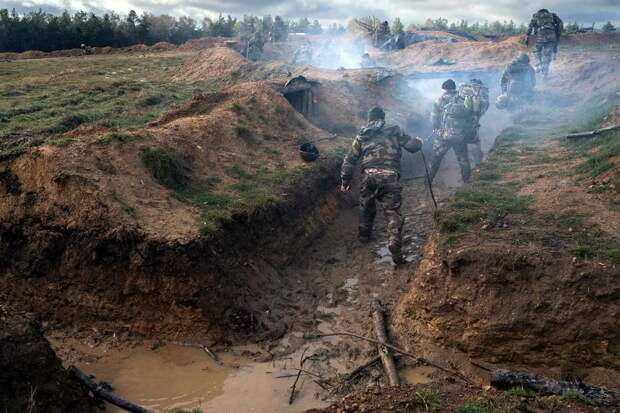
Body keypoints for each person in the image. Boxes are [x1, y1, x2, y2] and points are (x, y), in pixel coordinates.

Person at [340, 106, 422, 265]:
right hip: (389, 175)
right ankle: (393, 241)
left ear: (369, 119)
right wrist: (419, 142)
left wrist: (345, 181)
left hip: (368, 175)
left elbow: (349, 160)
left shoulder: (362, 135)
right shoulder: (395, 130)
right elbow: (413, 147)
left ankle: (364, 237)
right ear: (383, 118)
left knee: (366, 206)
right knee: (392, 212)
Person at [429, 79, 474, 183]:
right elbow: (470, 117)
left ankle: (428, 182)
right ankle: (467, 182)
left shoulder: (439, 100)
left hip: (443, 136)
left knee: (435, 158)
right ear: (455, 88)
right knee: (463, 160)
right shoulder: (464, 99)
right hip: (460, 136)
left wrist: (435, 128)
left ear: (444, 88)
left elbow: (434, 118)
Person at [459, 78, 490, 164]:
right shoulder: (481, 94)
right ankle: (478, 163)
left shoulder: (463, 90)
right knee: (474, 141)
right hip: (471, 120)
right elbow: (483, 109)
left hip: (461, 121)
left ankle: (473, 162)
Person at [527, 9, 563, 78]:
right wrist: (558, 33)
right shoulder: (552, 15)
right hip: (551, 35)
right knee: (547, 55)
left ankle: (539, 64)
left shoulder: (536, 16)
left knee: (537, 51)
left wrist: (527, 35)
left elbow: (530, 26)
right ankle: (545, 72)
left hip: (540, 35)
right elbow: (560, 23)